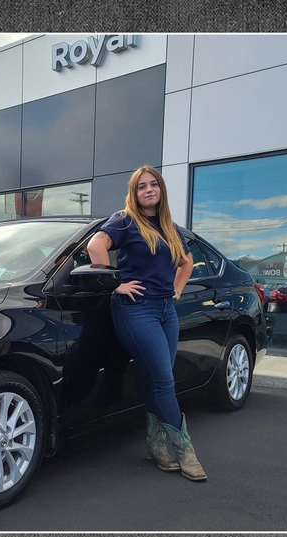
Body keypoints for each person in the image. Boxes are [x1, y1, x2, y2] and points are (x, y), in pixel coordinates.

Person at [87, 165, 207, 481]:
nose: (148, 190)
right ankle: (185, 451)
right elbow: (95, 246)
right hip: (135, 310)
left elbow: (187, 261)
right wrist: (113, 283)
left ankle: (157, 446)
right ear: (134, 193)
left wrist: (178, 288)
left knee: (158, 379)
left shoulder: (169, 227)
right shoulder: (124, 221)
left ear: (161, 190)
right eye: (142, 186)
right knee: (164, 380)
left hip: (166, 311)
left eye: (154, 184)